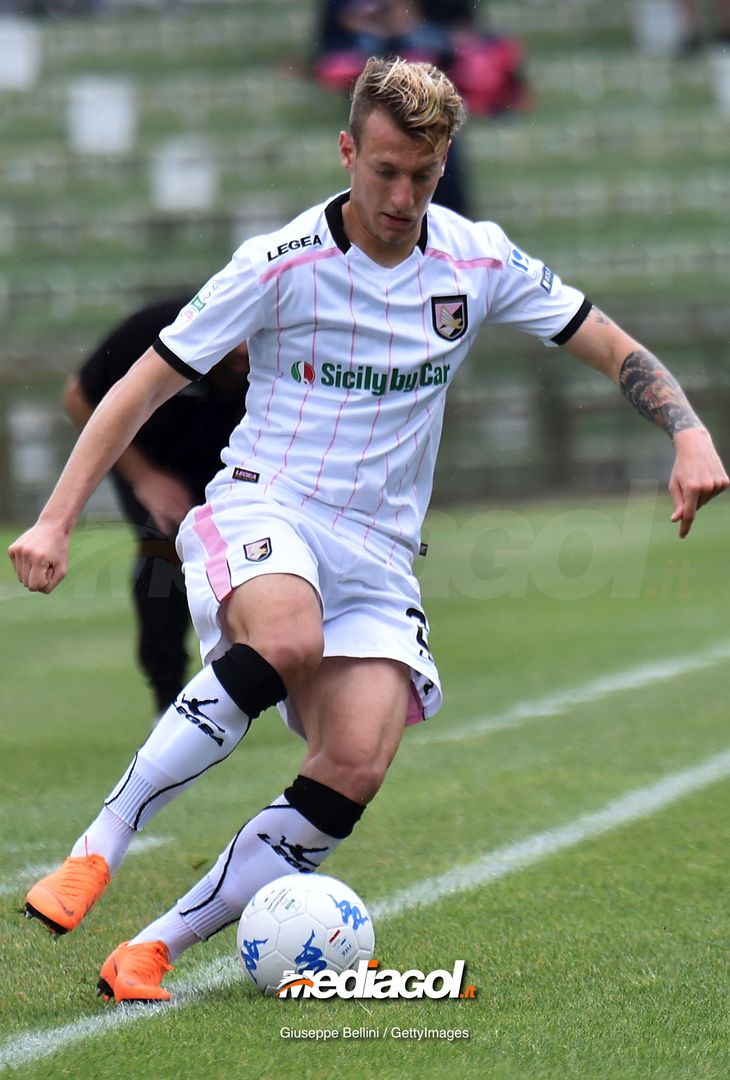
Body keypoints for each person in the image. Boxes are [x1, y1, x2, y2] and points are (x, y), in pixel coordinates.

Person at [9, 57, 727, 1005]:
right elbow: (136, 385)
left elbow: (610, 344)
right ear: (348, 151)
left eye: (422, 176)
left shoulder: (478, 259)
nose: (400, 194)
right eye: (383, 170)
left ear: (443, 166)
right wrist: (55, 521)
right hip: (267, 504)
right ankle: (96, 850)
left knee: (356, 759)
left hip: (381, 553)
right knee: (287, 639)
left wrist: (688, 431)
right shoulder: (277, 263)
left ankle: (152, 949)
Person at [64, 296, 249, 713]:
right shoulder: (159, 329)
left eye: (250, 342)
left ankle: (254, 675)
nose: (243, 354)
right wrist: (145, 476)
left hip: (232, 462)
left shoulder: (280, 340)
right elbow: (78, 396)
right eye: (233, 345)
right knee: (165, 552)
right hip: (148, 461)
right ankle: (169, 699)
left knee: (253, 556)